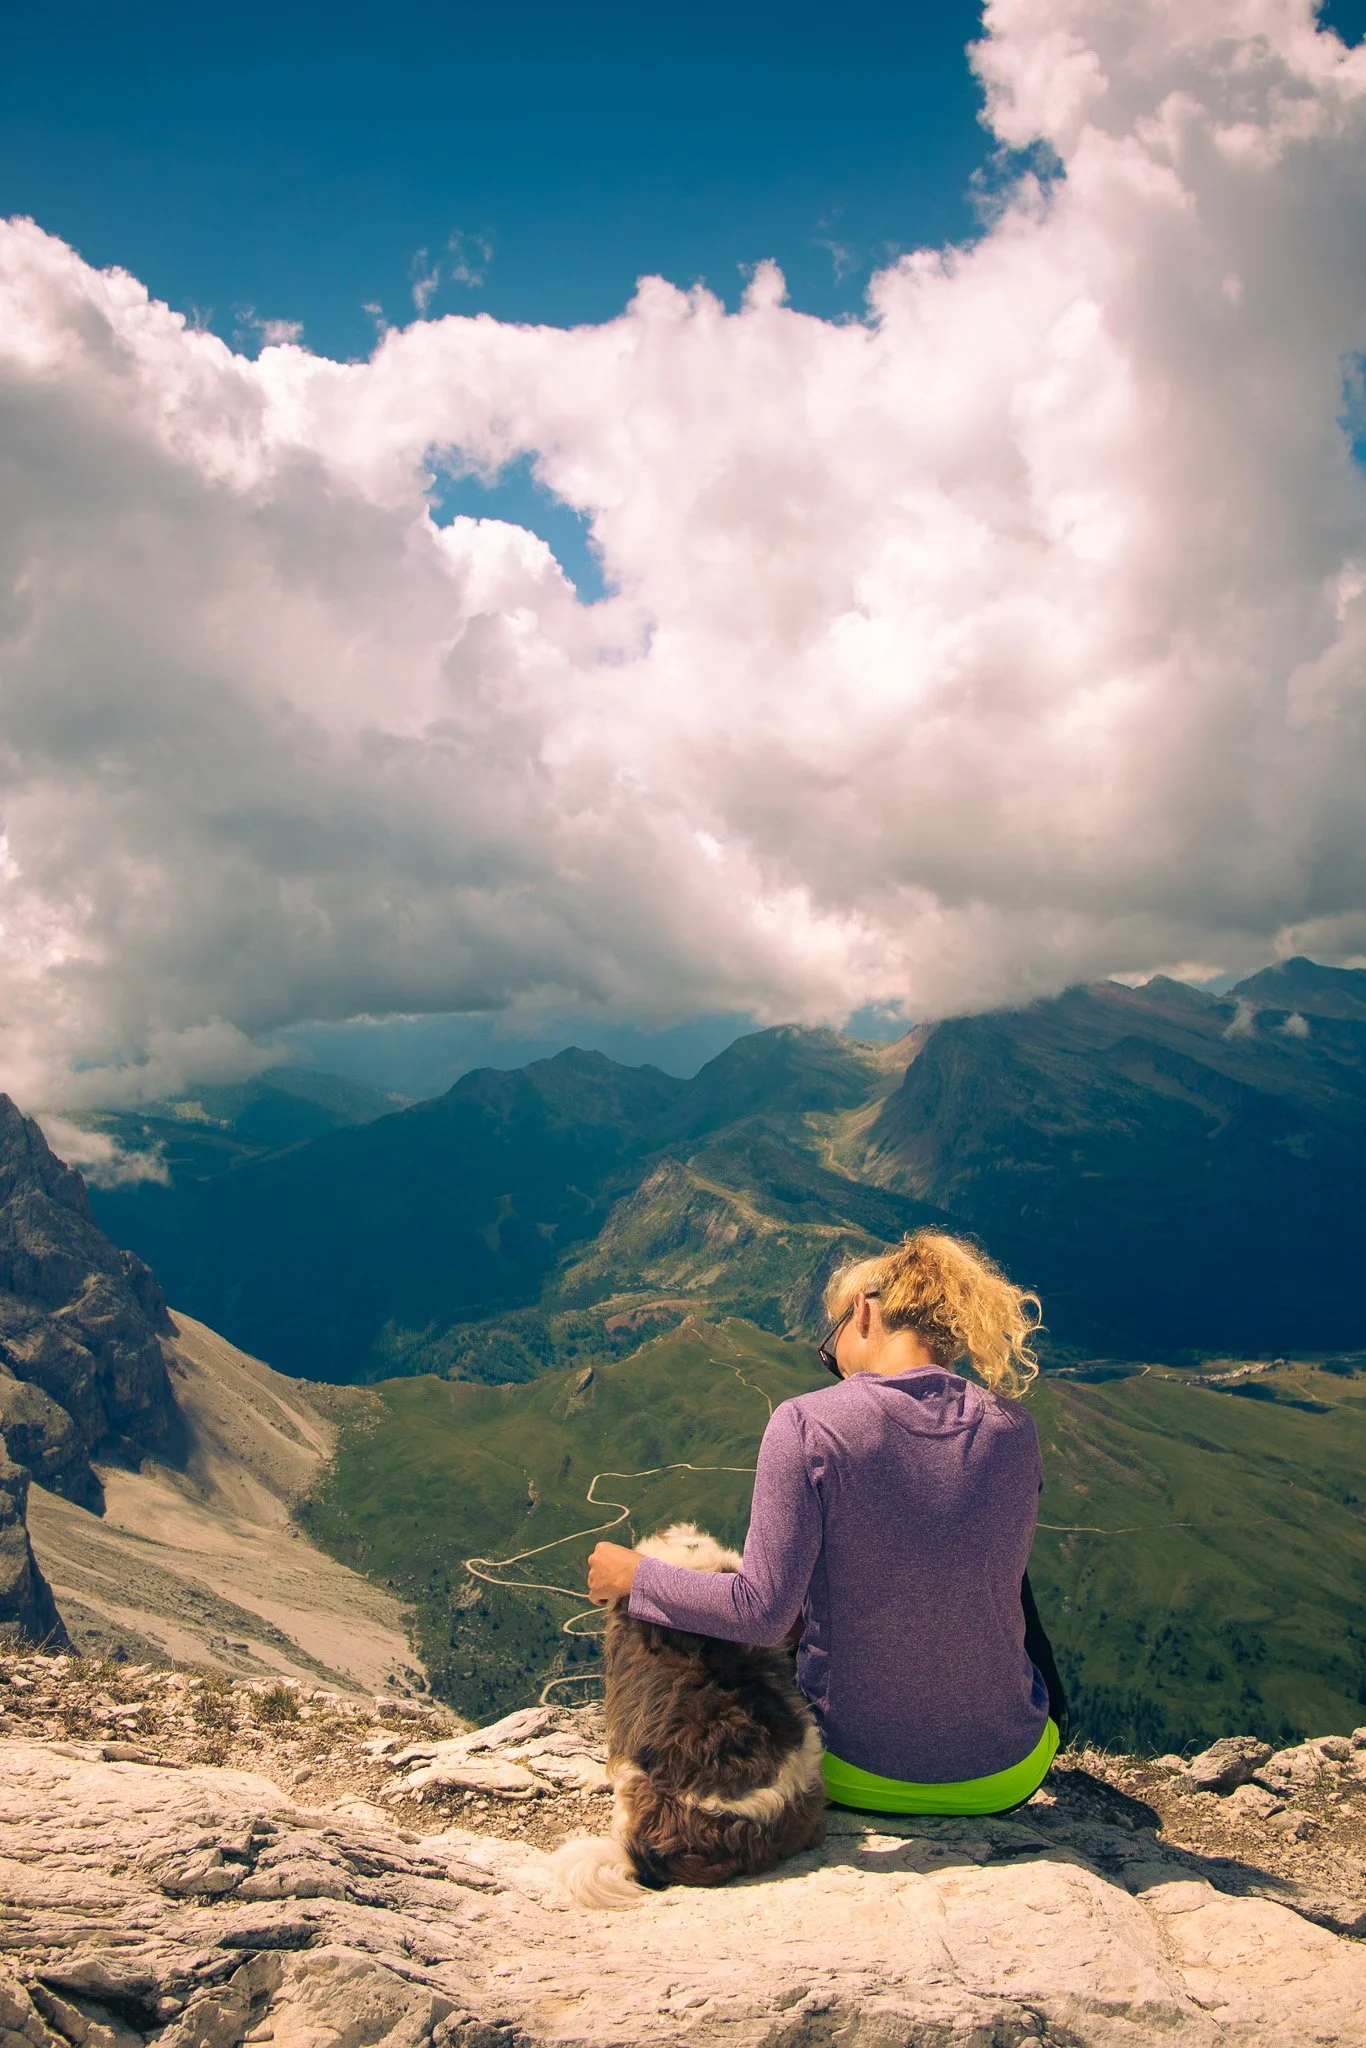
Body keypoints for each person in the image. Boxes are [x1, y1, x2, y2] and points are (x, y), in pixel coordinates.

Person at [586, 1229, 1068, 1816]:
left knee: (677, 1594)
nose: (833, 1359)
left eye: (831, 1338)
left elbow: (760, 1613)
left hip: (853, 1772)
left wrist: (636, 1576)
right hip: (1010, 1771)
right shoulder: (1013, 1428)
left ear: (865, 1311)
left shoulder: (808, 1423)